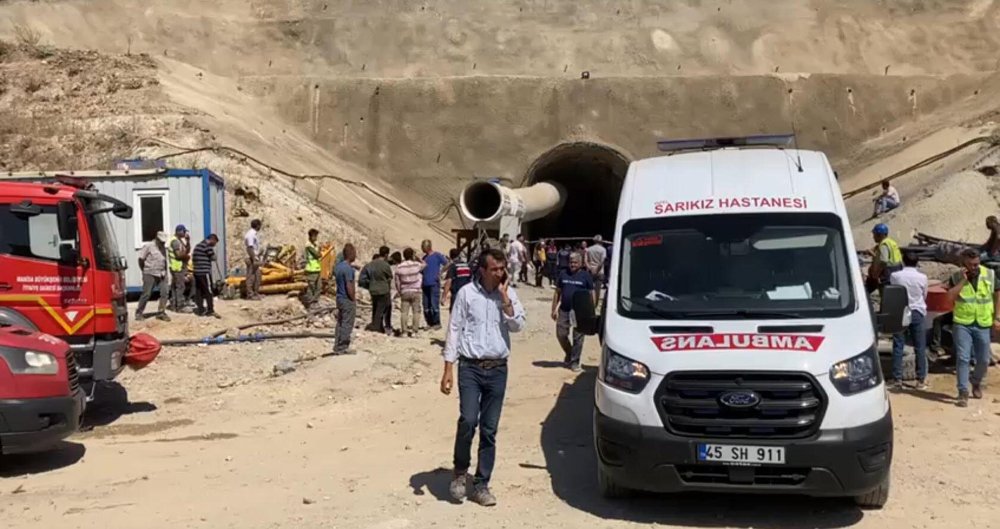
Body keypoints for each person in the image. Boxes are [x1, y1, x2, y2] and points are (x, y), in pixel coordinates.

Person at [440, 249, 526, 507]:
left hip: (498, 369)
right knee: (468, 420)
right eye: (495, 269)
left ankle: (481, 484)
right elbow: (454, 329)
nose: (500, 273)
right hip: (471, 368)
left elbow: (519, 326)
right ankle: (459, 472)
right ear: (483, 270)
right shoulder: (467, 293)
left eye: (502, 269)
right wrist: (447, 368)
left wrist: (505, 301)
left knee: (489, 429)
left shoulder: (508, 294)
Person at [946, 248, 1000, 407]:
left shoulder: (989, 274)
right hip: (963, 322)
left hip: (982, 322)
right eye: (971, 265)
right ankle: (963, 392)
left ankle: (975, 381)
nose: (975, 267)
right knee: (963, 357)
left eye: (977, 264)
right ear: (964, 264)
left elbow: (997, 293)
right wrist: (963, 281)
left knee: (983, 359)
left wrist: (996, 316)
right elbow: (950, 297)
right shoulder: (956, 276)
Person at [889, 252, 928, 390]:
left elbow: (893, 291)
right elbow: (924, 295)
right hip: (917, 311)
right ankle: (921, 380)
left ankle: (897, 380)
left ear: (903, 261)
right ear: (917, 262)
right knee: (920, 346)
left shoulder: (895, 276)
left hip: (901, 311)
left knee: (898, 345)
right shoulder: (923, 278)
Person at [551, 253, 595, 372]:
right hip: (564, 309)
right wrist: (553, 309)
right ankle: (569, 353)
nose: (572, 264)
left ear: (581, 263)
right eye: (571, 262)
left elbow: (591, 294)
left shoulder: (586, 276)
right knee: (561, 334)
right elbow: (557, 292)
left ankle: (575, 362)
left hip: (579, 312)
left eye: (575, 262)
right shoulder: (563, 274)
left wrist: (591, 310)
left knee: (578, 337)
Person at [135, 231, 171, 322]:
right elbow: (141, 259)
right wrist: (144, 270)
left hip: (161, 273)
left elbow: (164, 260)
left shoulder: (163, 247)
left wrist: (166, 272)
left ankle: (161, 312)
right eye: (161, 241)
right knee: (146, 294)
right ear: (157, 239)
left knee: (165, 292)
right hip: (149, 273)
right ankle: (139, 313)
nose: (163, 243)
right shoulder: (149, 246)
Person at [333, 243, 358, 355]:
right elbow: (349, 285)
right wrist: (353, 298)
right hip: (346, 298)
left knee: (340, 322)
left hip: (339, 297)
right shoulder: (348, 269)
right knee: (347, 323)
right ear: (351, 254)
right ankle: (343, 346)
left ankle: (337, 345)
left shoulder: (338, 267)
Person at [394, 248, 424, 337]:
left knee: (404, 312)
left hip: (405, 290)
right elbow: (425, 264)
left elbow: (397, 281)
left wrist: (399, 290)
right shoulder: (416, 265)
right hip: (415, 290)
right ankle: (415, 331)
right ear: (412, 255)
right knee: (416, 312)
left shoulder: (399, 267)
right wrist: (418, 258)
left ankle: (404, 332)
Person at [421, 240, 449, 330]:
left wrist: (440, 272)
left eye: (423, 247)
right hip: (425, 283)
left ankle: (437, 322)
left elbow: (447, 263)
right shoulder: (424, 258)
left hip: (434, 283)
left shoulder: (437, 255)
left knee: (434, 303)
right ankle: (429, 322)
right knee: (426, 304)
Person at [365, 246, 394, 335]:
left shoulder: (371, 264)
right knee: (381, 309)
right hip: (383, 290)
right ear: (386, 254)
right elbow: (390, 277)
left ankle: (377, 325)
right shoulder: (385, 265)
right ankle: (377, 327)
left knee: (375, 307)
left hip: (373, 289)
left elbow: (365, 276)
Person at [191, 234, 221, 319]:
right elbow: (214, 258)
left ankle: (200, 310)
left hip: (197, 272)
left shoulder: (198, 246)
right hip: (204, 272)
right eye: (215, 243)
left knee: (199, 291)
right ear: (212, 239)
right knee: (209, 291)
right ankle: (210, 310)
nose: (214, 245)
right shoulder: (207, 246)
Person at [866, 223, 902, 293]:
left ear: (879, 235)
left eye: (874, 235)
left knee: (885, 295)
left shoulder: (883, 245)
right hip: (897, 271)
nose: (873, 237)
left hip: (887, 274)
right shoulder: (891, 242)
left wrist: (876, 274)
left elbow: (884, 261)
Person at [167, 224, 191, 312]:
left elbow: (187, 250)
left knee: (175, 287)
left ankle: (174, 304)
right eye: (184, 231)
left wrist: (188, 241)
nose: (185, 233)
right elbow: (178, 255)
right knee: (180, 286)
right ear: (179, 231)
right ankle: (180, 306)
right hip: (177, 267)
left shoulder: (180, 240)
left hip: (178, 267)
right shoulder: (175, 241)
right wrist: (186, 257)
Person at [585, 235, 608, 304]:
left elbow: (585, 261)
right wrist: (597, 270)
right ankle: (595, 304)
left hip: (590, 271)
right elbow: (602, 262)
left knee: (589, 288)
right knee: (597, 290)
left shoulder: (589, 249)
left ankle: (589, 303)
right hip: (599, 271)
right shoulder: (603, 249)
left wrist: (590, 268)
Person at [303, 228, 323, 309]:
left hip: (317, 268)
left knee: (318, 286)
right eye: (314, 236)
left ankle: (315, 301)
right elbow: (317, 255)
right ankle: (309, 303)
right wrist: (319, 251)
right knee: (311, 287)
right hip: (311, 269)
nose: (316, 238)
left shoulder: (314, 244)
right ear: (311, 236)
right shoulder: (308, 245)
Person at [245, 219, 263, 300]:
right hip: (252, 258)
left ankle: (256, 293)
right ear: (258, 225)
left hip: (255, 257)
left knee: (257, 276)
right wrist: (254, 258)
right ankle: (250, 294)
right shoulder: (251, 234)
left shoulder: (253, 234)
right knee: (251, 277)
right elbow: (250, 247)